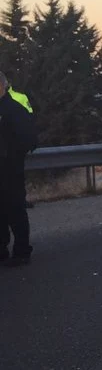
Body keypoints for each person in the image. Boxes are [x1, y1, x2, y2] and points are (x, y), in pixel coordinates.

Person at [0, 72, 38, 266]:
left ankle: (22, 251)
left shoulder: (14, 108)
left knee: (15, 210)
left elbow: (29, 138)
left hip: (10, 170)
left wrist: (12, 155)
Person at [8, 87, 35, 208]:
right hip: (10, 144)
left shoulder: (20, 97)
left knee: (17, 175)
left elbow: (29, 118)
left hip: (14, 145)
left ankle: (20, 201)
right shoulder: (19, 97)